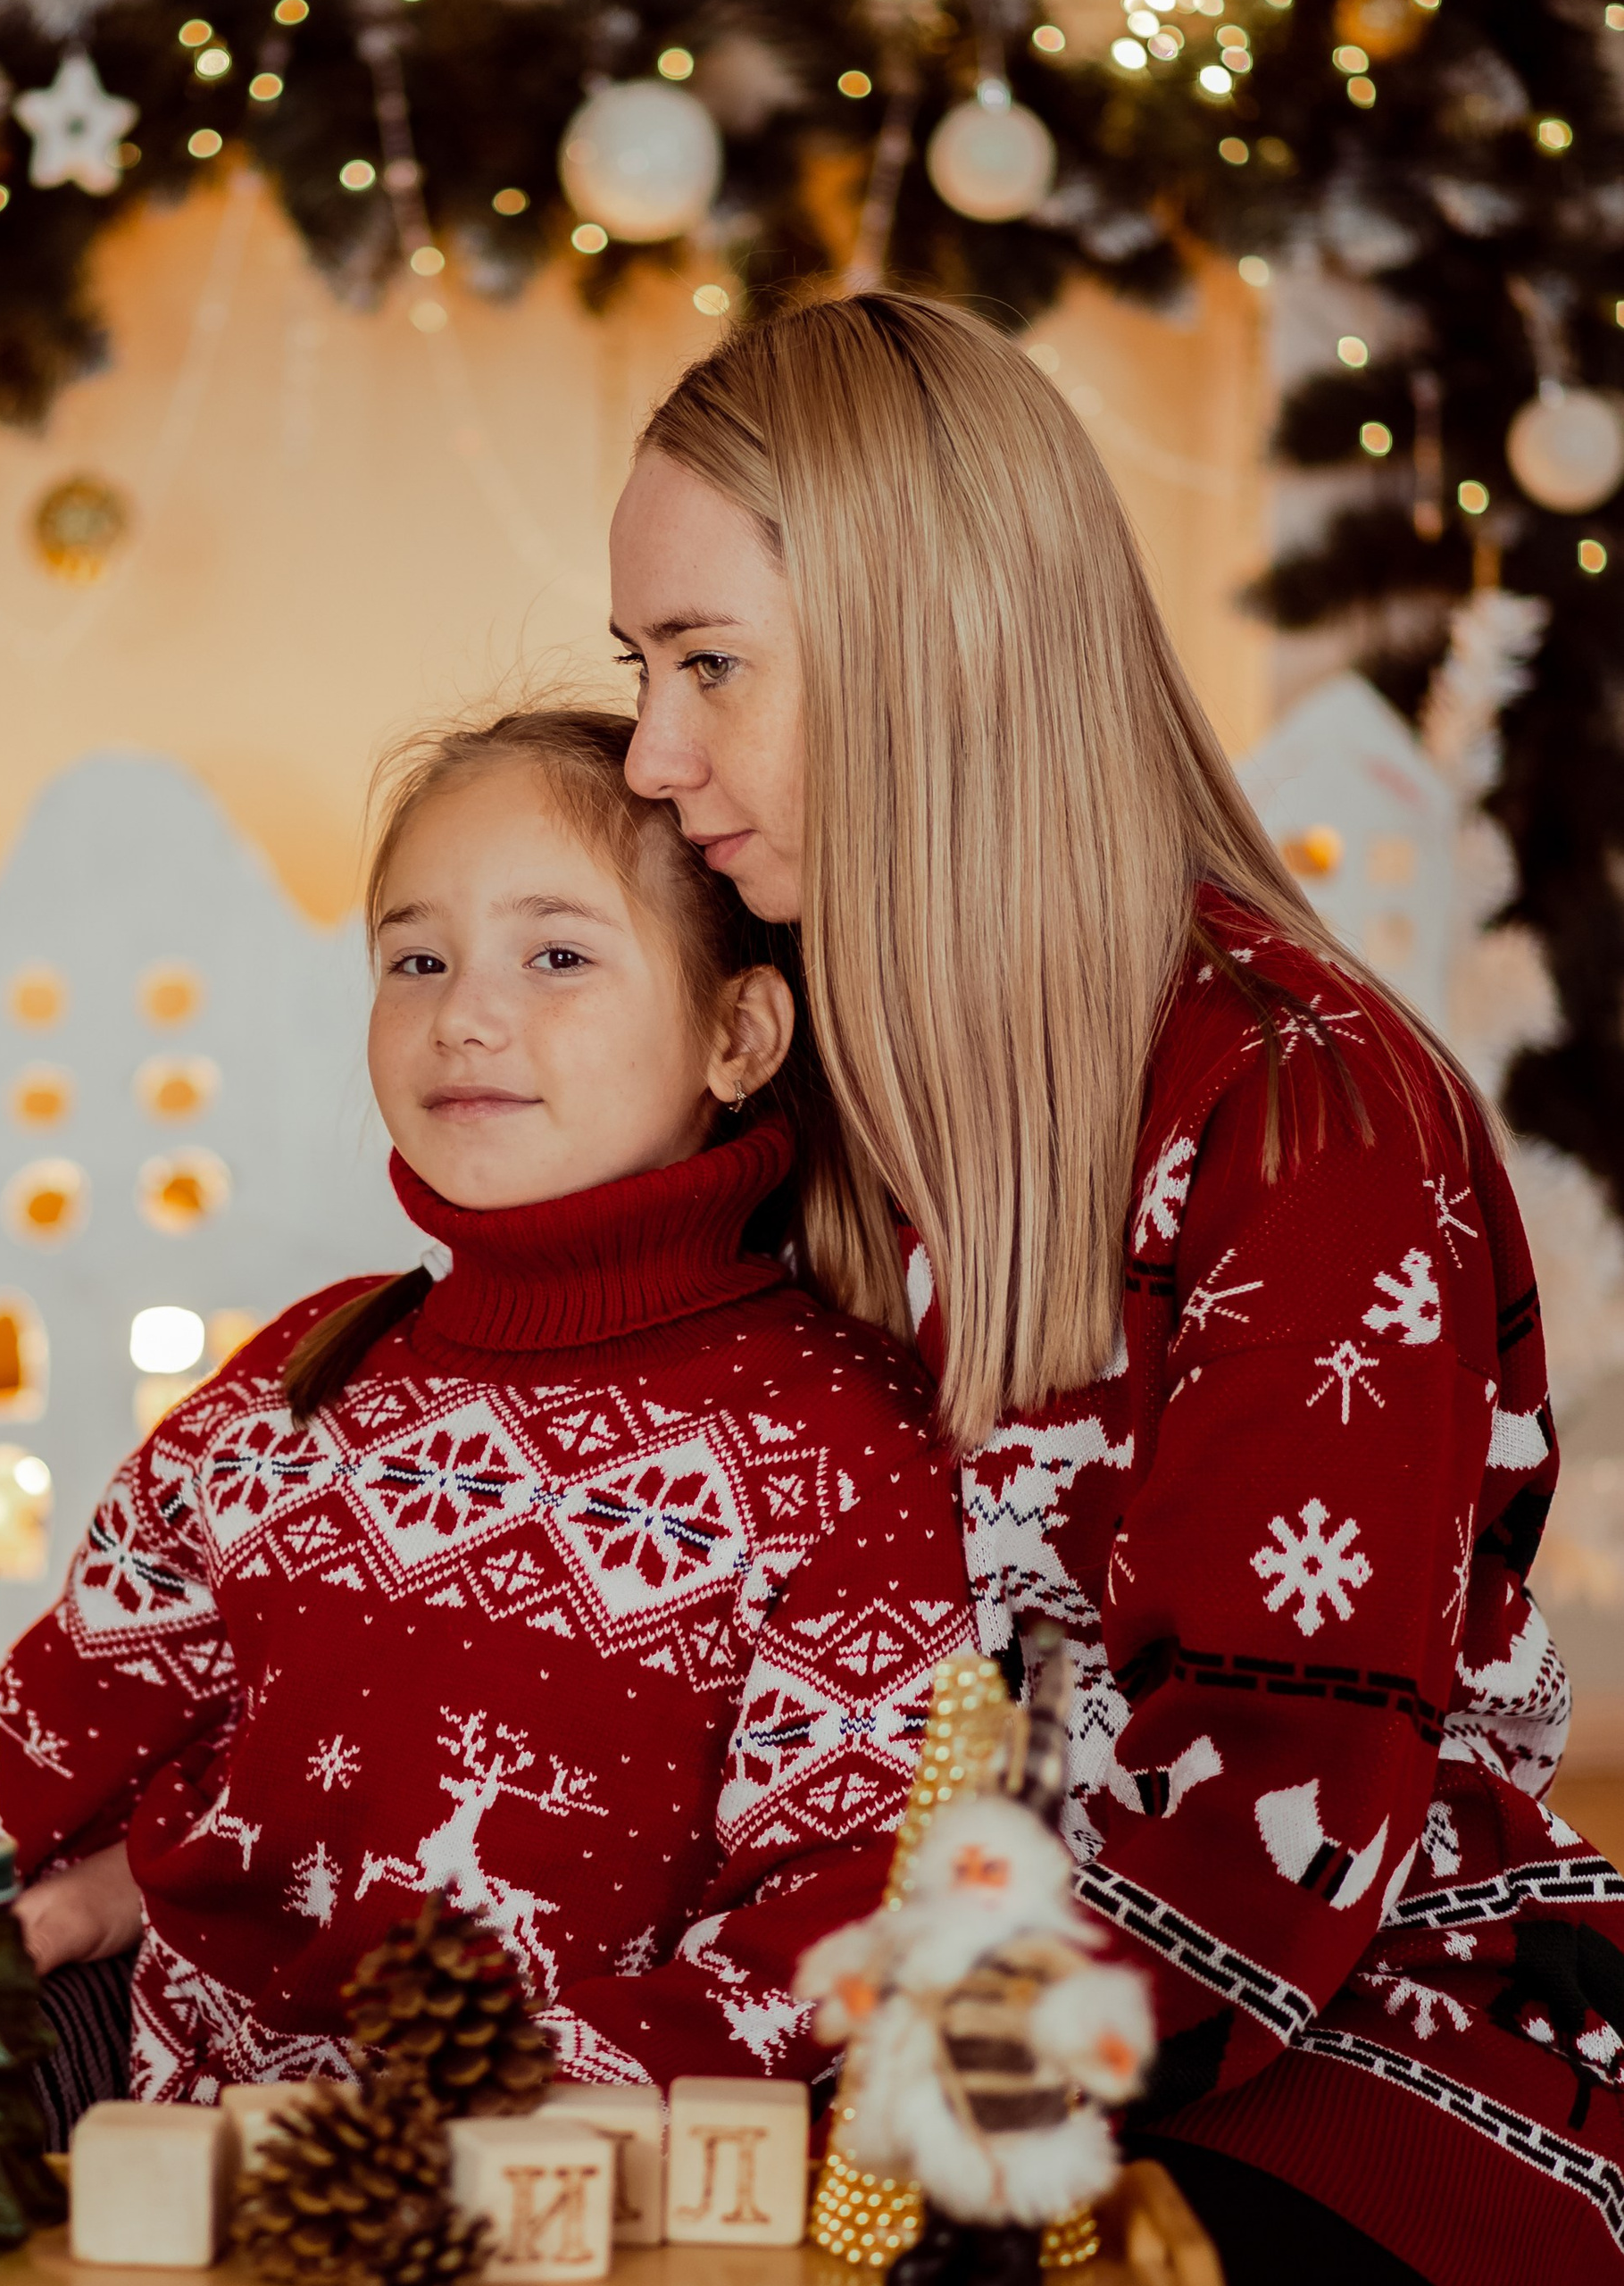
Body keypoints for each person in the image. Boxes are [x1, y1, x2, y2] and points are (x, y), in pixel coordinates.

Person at [0, 706, 975, 2286]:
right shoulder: (306, 1372)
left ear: (740, 1037)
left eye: (556, 958)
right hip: (170, 2052)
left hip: (529, 2158)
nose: (465, 1019)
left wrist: (531, 2137)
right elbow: (75, 1706)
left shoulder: (838, 1444)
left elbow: (847, 1907)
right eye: (415, 961)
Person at [607, 288, 1624, 2285]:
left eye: (708, 663)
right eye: (636, 666)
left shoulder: (1298, 1108)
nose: (652, 752)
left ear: (936, 656)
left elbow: (1269, 1781)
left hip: (1353, 2052)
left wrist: (898, 2098)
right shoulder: (816, 1063)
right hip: (889, 2003)